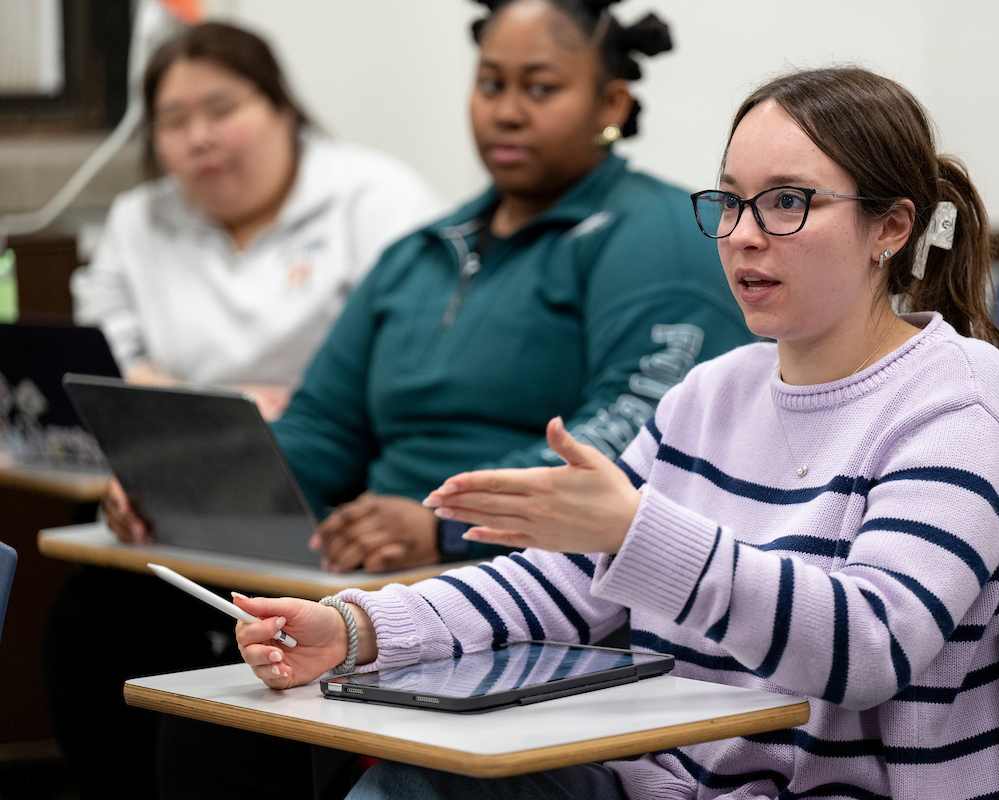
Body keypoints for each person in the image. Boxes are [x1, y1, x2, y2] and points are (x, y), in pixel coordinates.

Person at [234, 66, 999, 800]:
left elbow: (869, 646)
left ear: (890, 228)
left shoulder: (960, 400)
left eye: (789, 201)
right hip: (661, 783)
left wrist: (637, 532)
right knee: (415, 781)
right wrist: (356, 627)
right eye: (729, 201)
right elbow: (563, 583)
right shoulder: (711, 393)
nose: (744, 234)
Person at [66, 2, 752, 799]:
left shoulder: (654, 232)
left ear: (610, 106)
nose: (505, 108)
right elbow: (323, 424)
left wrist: (443, 522)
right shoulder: (424, 250)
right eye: (490, 82)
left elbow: (628, 445)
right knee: (116, 633)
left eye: (540, 86)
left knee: (240, 733)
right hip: (370, 573)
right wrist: (180, 478)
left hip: (524, 594)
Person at [72, 22, 442, 421]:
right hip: (181, 441)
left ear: (282, 108)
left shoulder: (377, 197)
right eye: (175, 122)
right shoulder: (137, 221)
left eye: (222, 110)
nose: (199, 138)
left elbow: (421, 354)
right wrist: (223, 408)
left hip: (343, 443)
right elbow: (108, 366)